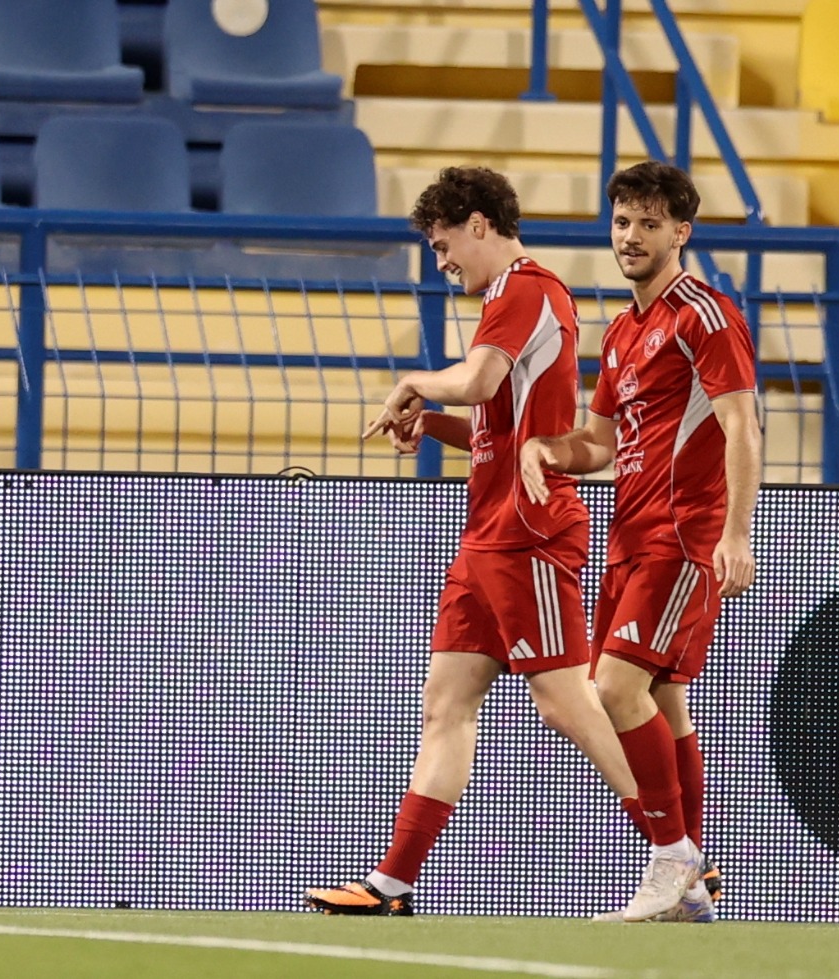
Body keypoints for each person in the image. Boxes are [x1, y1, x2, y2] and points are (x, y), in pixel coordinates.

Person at [303, 166, 646, 916]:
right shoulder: (508, 299)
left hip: (529, 530)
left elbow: (481, 381)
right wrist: (433, 423)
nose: (441, 261)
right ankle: (391, 884)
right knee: (446, 704)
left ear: (480, 225)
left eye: (443, 243)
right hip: (487, 535)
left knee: (565, 702)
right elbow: (498, 426)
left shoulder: (526, 288)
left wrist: (415, 384)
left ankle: (678, 851)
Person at [520, 160, 762, 923]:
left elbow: (742, 424)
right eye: (622, 221)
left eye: (649, 223)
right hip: (629, 536)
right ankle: (692, 884)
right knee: (662, 697)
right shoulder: (623, 330)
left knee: (615, 689)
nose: (630, 236)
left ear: (681, 232)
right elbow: (598, 443)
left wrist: (736, 532)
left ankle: (673, 857)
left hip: (682, 536)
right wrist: (547, 448)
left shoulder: (705, 316)